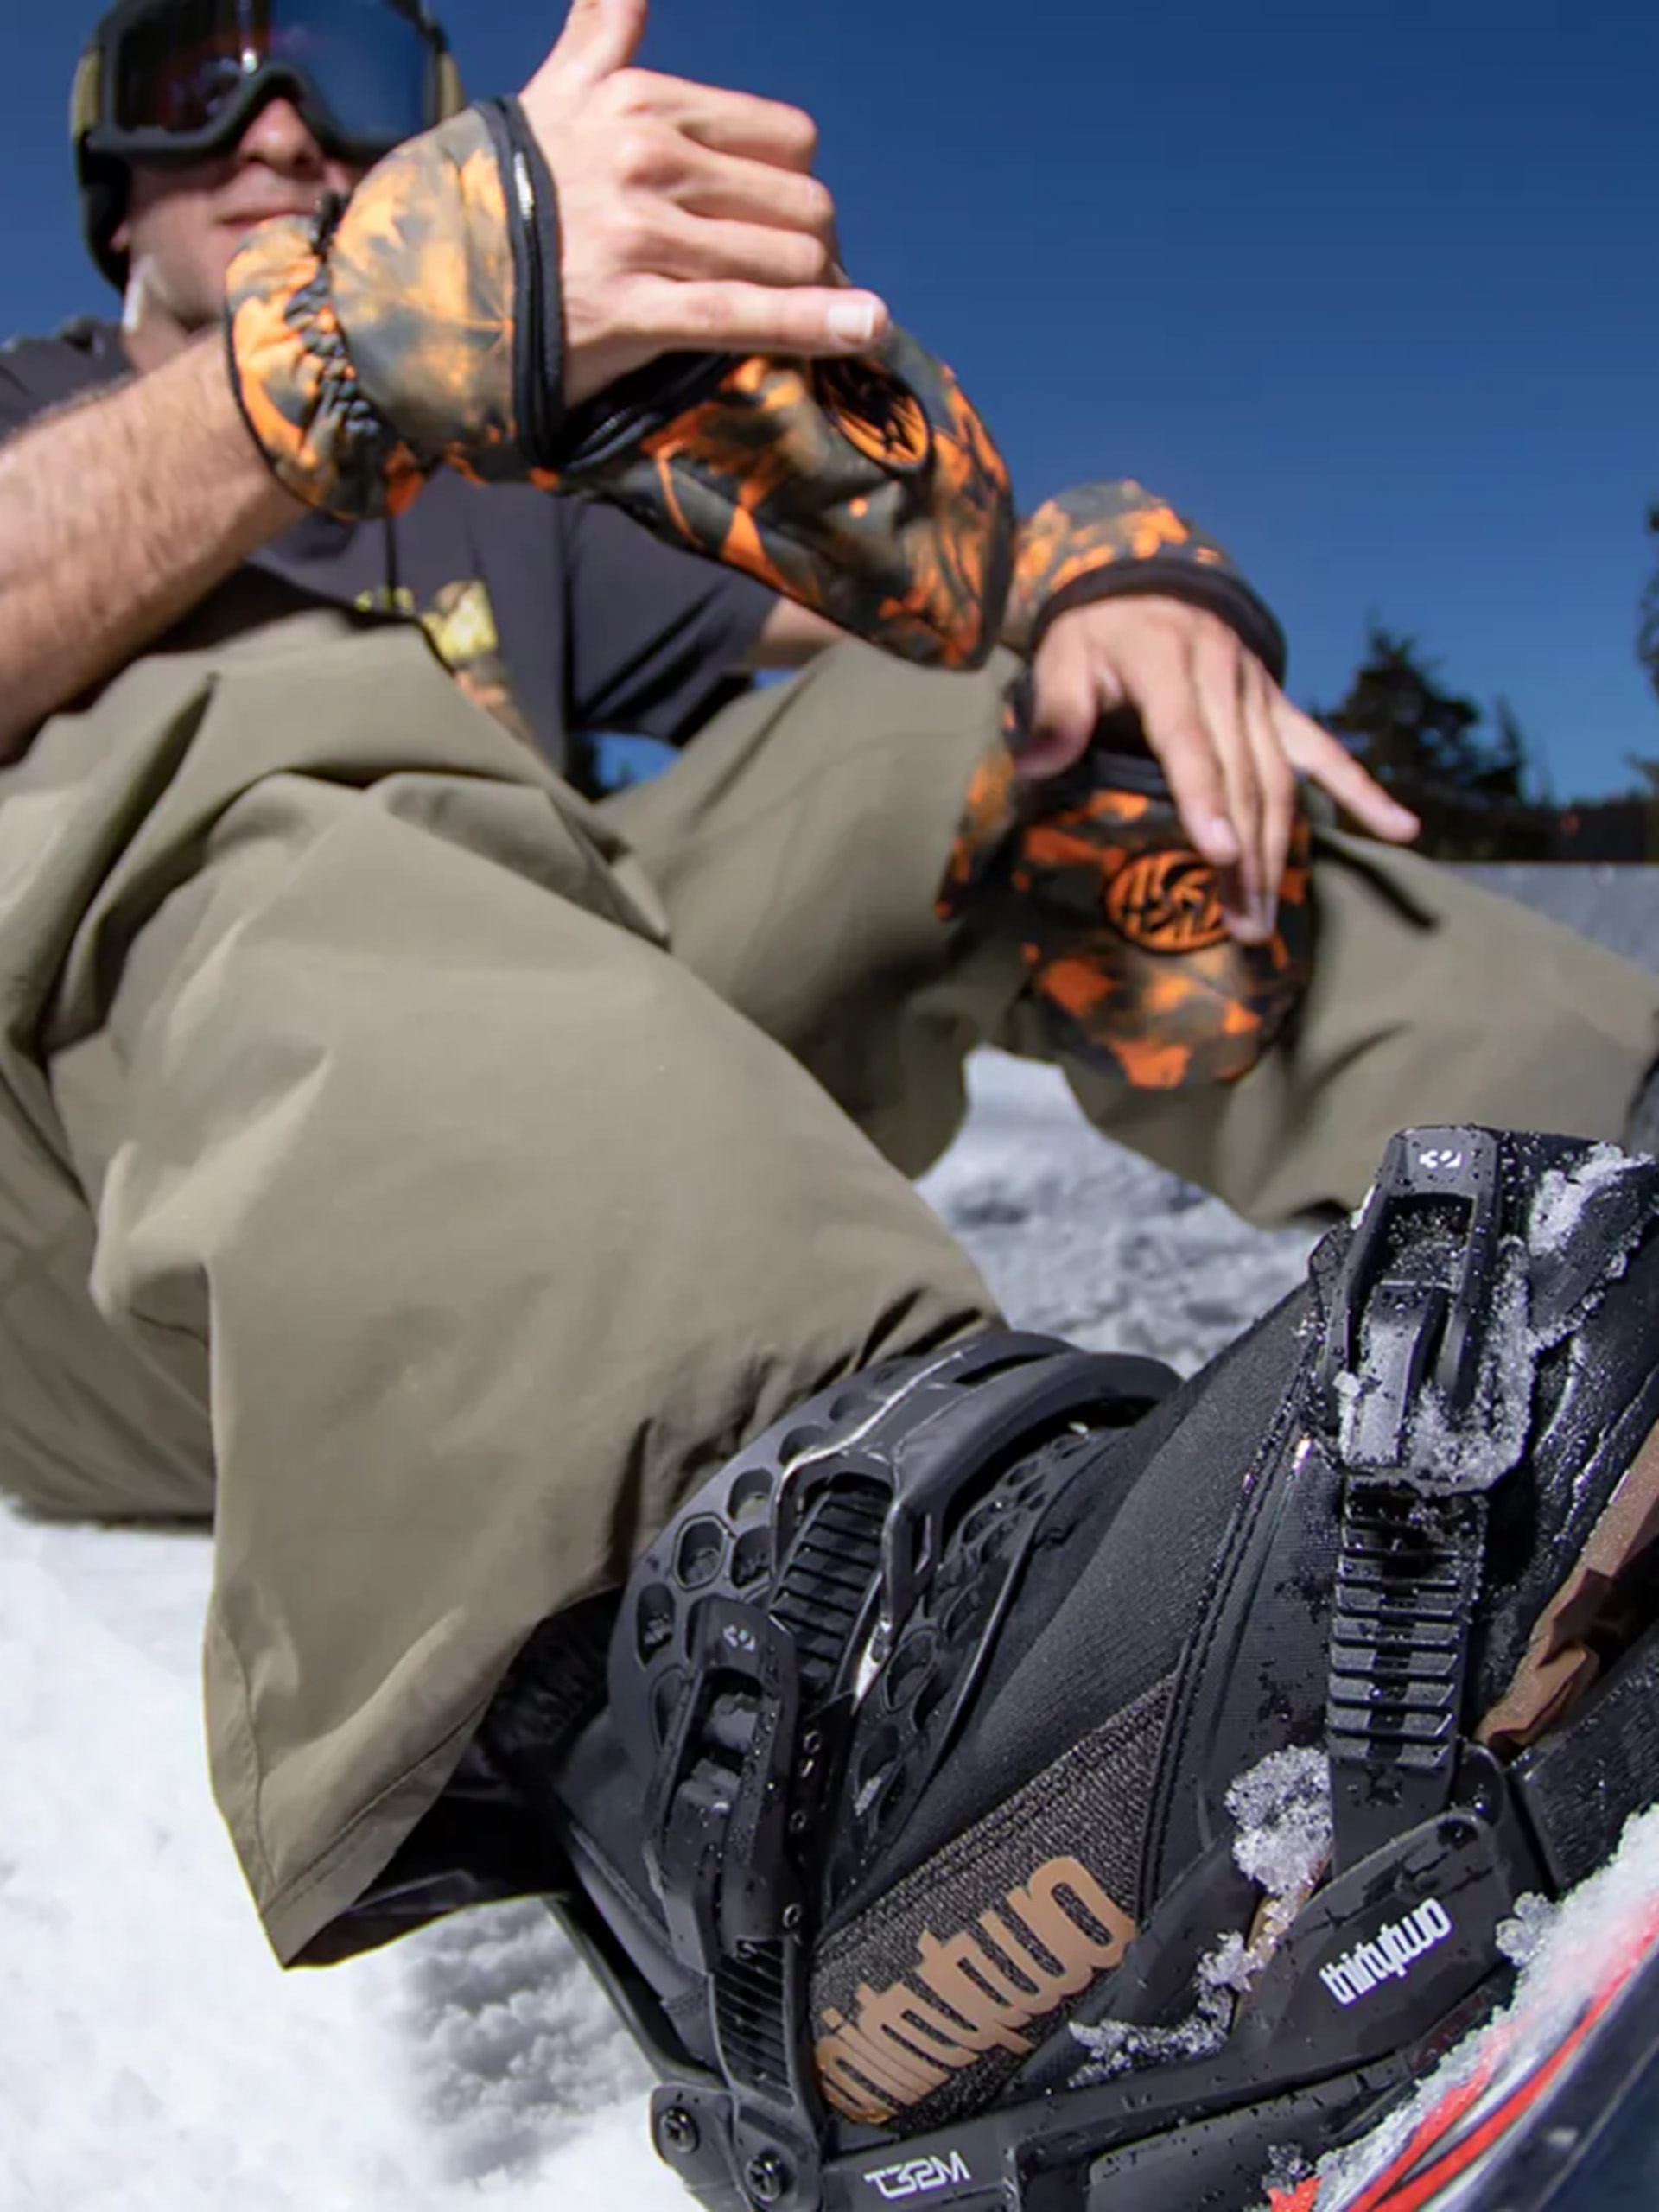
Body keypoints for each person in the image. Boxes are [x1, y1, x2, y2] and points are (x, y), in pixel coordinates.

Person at [1, 3, 1657, 2204]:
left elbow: (918, 623)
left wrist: (1098, 577)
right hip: (88, 1222)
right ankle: (839, 1764)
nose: (284, 122)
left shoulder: (484, 492)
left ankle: (1622, 1223)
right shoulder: (43, 416)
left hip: (472, 1111)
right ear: (111, 184)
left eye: (351, 79)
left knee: (1004, 729)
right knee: (258, 709)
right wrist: (309, 374)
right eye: (197, 78)